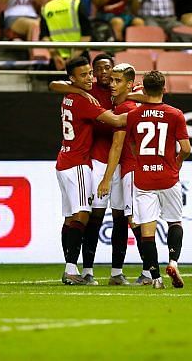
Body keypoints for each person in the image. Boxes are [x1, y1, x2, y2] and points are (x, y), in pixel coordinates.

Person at [56, 56, 128, 286]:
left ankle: (73, 267)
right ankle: (73, 269)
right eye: (87, 73)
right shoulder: (85, 99)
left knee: (71, 218)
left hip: (65, 159)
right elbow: (116, 121)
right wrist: (144, 113)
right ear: (73, 78)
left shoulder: (71, 95)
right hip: (80, 162)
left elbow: (56, 85)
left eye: (90, 73)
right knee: (83, 215)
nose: (91, 76)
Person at [124, 70, 191, 289]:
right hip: (168, 177)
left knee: (147, 230)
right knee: (174, 221)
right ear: (164, 89)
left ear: (143, 90)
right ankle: (173, 262)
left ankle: (156, 278)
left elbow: (133, 147)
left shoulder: (133, 116)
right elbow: (186, 149)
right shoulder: (175, 114)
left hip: (143, 179)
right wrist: (177, 162)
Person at [97, 63, 153, 286]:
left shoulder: (127, 107)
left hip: (130, 169)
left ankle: (149, 272)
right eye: (111, 80)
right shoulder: (122, 104)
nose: (112, 84)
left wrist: (106, 178)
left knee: (134, 221)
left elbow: (117, 146)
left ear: (129, 85)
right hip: (123, 170)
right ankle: (116, 273)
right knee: (120, 220)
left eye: (117, 81)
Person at [41, 0, 92, 69]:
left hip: (57, 62)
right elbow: (86, 36)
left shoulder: (47, 7)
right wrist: (71, 60)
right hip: (79, 60)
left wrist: (56, 56)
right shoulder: (77, 4)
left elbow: (45, 37)